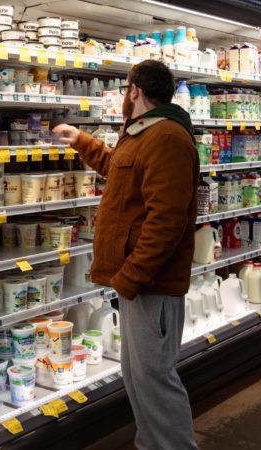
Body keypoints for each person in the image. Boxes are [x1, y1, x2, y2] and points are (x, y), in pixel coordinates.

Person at [53, 59, 199, 450]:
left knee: (155, 379)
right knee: (139, 378)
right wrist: (81, 141)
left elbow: (166, 221)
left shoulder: (167, 137)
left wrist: (131, 277)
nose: (122, 96)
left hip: (150, 283)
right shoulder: (143, 133)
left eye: (124, 90)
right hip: (135, 282)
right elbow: (118, 168)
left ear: (134, 90)